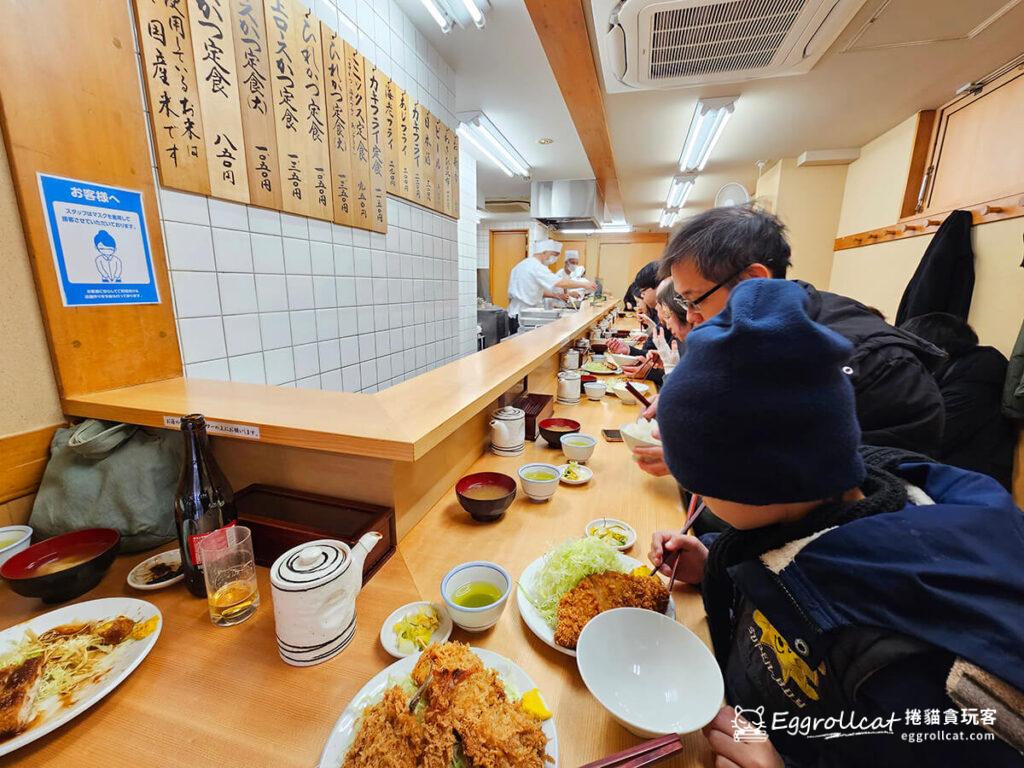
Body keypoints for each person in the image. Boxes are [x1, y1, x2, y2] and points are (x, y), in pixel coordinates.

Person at [649, 279, 1024, 768]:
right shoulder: (814, 507)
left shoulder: (912, 648)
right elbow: (782, 567)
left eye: (697, 478)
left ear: (758, 485)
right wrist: (716, 561)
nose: (694, 490)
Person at [632, 205, 946, 478]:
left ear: (752, 281)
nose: (689, 318)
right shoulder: (754, 333)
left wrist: (702, 460)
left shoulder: (877, 368)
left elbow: (865, 491)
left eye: (694, 300)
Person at [899, 312, 1015, 489]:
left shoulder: (976, 376)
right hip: (958, 479)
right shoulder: (960, 372)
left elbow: (931, 435)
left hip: (965, 486)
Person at [506, 239, 595, 327]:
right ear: (544, 252)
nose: (554, 259)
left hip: (516, 313)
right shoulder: (536, 267)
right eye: (553, 255)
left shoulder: (523, 264)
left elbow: (534, 290)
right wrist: (584, 284)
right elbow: (560, 283)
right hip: (524, 315)